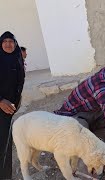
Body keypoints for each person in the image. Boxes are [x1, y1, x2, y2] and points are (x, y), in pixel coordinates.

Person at [0, 31, 25, 179]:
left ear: (15, 44)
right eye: (4, 41)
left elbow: (19, 82)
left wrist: (16, 102)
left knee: (5, 145)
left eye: (11, 41)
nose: (8, 44)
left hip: (8, 110)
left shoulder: (17, 59)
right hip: (2, 105)